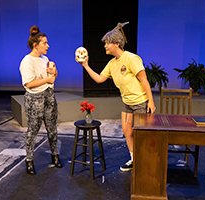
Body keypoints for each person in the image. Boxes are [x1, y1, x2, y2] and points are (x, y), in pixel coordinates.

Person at [76, 22, 156, 172]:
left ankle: (145, 162)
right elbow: (99, 79)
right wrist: (85, 65)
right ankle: (134, 160)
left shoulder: (131, 59)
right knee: (127, 132)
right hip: (127, 103)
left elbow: (144, 80)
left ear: (117, 44)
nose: (105, 46)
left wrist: (150, 101)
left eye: (107, 43)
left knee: (141, 135)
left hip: (140, 103)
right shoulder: (112, 64)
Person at [19, 25, 63, 175]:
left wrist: (54, 73)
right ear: (35, 45)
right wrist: (47, 79)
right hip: (35, 98)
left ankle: (55, 156)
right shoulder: (27, 61)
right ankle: (29, 160)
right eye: (44, 43)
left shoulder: (45, 59)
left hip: (49, 96)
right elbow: (29, 83)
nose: (47, 45)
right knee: (33, 130)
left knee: (52, 129)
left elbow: (51, 78)